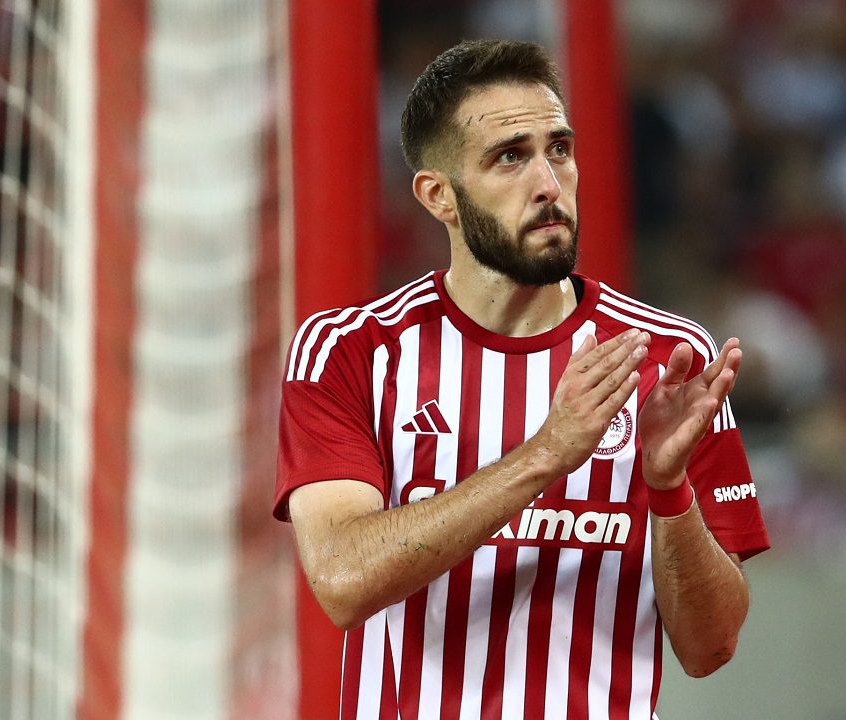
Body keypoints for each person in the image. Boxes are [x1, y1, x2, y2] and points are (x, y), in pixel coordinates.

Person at [275, 39, 769, 720]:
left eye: (559, 150)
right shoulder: (350, 351)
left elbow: (711, 647)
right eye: (510, 157)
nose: (548, 184)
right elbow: (342, 579)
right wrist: (546, 454)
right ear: (440, 197)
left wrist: (668, 488)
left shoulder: (669, 357)